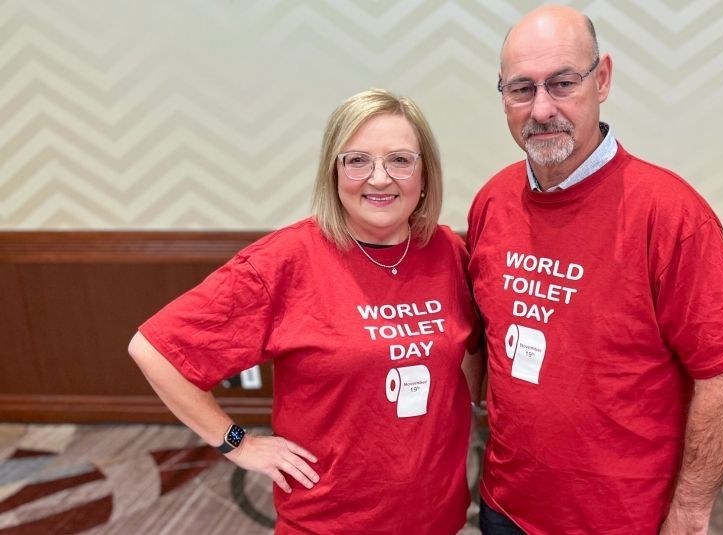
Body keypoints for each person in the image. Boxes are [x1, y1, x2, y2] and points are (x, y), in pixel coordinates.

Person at [466, 5, 723, 534]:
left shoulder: (670, 213)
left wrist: (690, 514)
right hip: (507, 505)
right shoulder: (493, 202)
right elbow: (477, 346)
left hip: (624, 518)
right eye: (521, 89)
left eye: (562, 83)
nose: (541, 108)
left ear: (603, 79)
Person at [128, 89, 482, 534]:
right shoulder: (286, 260)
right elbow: (155, 350)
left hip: (436, 513)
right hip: (330, 520)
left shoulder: (447, 251)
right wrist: (238, 443)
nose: (379, 178)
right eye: (357, 161)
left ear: (424, 173)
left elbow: (468, 351)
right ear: (333, 172)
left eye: (399, 160)